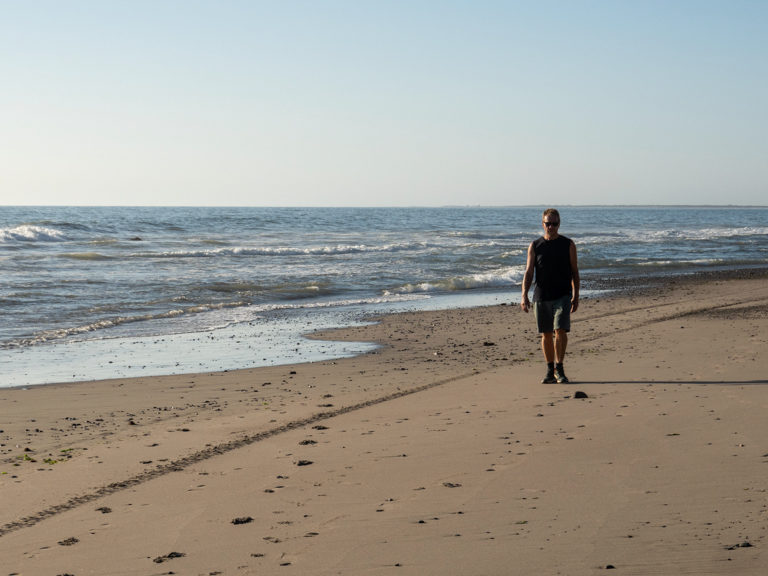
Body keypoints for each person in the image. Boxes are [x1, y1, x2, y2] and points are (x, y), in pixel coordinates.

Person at [520, 208, 580, 383]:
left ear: (559, 224)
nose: (551, 227)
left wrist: (576, 296)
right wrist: (524, 295)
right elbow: (529, 272)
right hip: (541, 295)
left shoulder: (568, 244)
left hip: (563, 295)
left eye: (554, 224)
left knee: (560, 329)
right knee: (546, 334)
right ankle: (549, 369)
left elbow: (575, 272)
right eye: (548, 224)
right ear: (543, 224)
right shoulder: (535, 245)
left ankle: (559, 368)